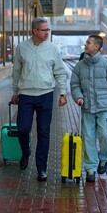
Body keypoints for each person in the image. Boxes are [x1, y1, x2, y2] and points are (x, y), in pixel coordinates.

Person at [11, 17, 67, 181]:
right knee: (22, 129)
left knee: (43, 133)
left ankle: (41, 168)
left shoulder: (52, 49)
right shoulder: (22, 48)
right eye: (44, 30)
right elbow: (16, 72)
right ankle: (25, 153)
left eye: (48, 30)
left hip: (45, 94)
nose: (46, 33)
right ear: (34, 31)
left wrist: (63, 93)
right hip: (26, 95)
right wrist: (15, 92)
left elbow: (60, 72)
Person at [70, 35, 107, 182]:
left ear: (96, 47)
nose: (85, 44)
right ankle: (90, 168)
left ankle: (104, 158)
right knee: (88, 138)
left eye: (88, 42)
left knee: (105, 136)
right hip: (87, 108)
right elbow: (74, 85)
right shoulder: (80, 66)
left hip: (104, 108)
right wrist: (78, 97)